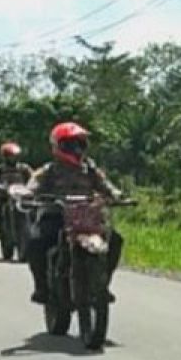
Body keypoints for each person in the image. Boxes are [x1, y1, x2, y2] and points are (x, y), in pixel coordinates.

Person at [25, 122, 124, 305]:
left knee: (115, 239)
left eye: (80, 144)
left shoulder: (90, 169)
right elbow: (33, 185)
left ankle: (101, 283)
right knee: (36, 243)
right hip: (55, 215)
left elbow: (106, 185)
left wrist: (115, 194)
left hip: (87, 218)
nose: (77, 149)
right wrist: (28, 194)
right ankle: (42, 287)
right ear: (58, 146)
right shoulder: (49, 170)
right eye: (71, 145)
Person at [0, 142, 34, 241]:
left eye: (15, 156)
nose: (13, 159)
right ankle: (0, 230)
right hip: (4, 196)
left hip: (21, 196)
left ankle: (32, 230)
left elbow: (34, 179)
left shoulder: (24, 168)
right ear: (5, 157)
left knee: (34, 209)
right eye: (11, 156)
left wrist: (31, 187)